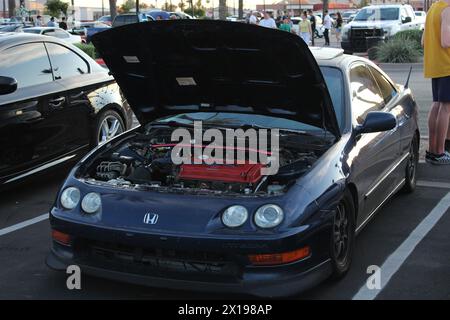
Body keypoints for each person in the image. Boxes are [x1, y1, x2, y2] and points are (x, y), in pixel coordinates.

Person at [423, 0, 450, 164]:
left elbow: (423, 41)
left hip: (435, 65)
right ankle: (440, 152)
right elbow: (446, 41)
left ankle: (432, 151)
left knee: (437, 105)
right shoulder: (447, 10)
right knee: (446, 108)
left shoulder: (433, 9)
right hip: (447, 65)